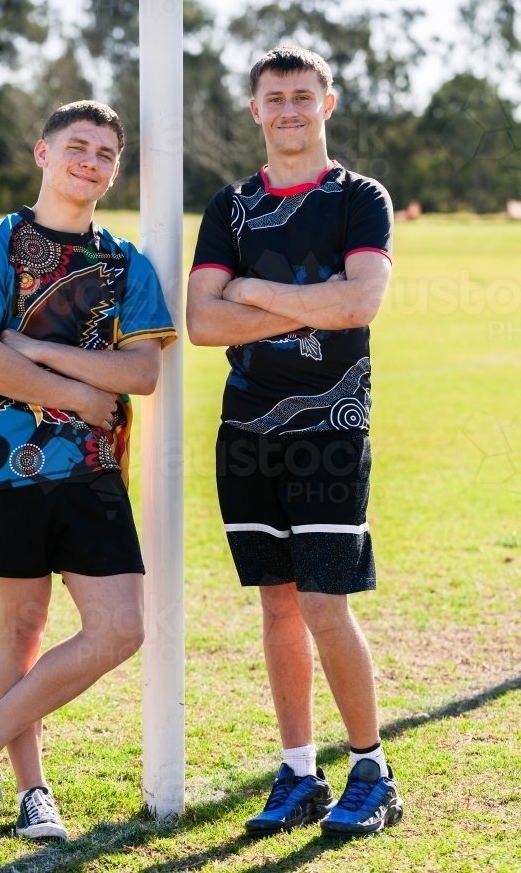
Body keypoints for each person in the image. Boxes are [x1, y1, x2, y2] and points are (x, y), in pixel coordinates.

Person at [0, 100, 176, 840]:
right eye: (78, 146)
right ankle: (32, 790)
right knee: (25, 626)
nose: (91, 162)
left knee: (119, 630)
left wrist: (35, 351)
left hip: (93, 468)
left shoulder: (125, 265)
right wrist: (76, 391)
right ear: (42, 153)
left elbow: (139, 374)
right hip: (0, 465)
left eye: (106, 153)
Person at [187, 46, 403, 838]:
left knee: (322, 601)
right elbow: (204, 322)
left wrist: (251, 289)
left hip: (331, 430)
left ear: (327, 104)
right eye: (273, 96)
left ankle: (370, 767)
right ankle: (298, 771)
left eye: (301, 95)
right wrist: (314, 303)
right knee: (276, 605)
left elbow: (361, 305)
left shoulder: (359, 198)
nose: (287, 108)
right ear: (254, 110)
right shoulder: (230, 206)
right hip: (245, 431)